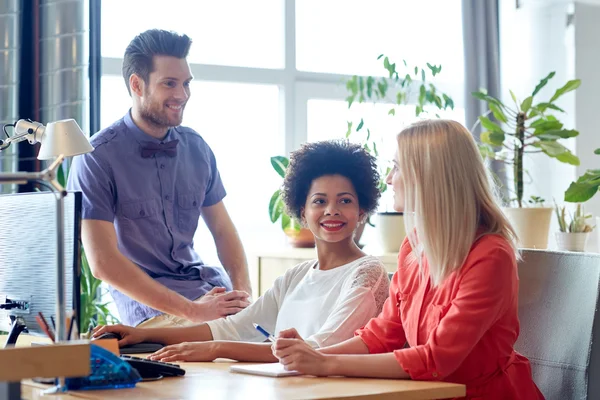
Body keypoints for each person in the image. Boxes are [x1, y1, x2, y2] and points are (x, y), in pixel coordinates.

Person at [272, 120, 544, 399]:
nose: (389, 179)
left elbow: (436, 358)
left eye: (397, 167)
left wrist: (325, 363)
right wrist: (310, 355)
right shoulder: (413, 249)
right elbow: (381, 336)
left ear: (428, 176)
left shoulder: (491, 256)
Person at [92, 140, 390, 363]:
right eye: (320, 201)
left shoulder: (367, 273)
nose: (332, 211)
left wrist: (218, 349)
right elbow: (233, 328)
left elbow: (316, 348)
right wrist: (146, 334)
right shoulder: (296, 277)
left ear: (362, 209)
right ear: (302, 209)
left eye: (345, 201)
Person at [68, 29, 252, 329]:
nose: (182, 95)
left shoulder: (197, 148)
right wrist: (193, 311)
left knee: (292, 337)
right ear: (137, 85)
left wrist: (244, 296)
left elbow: (222, 230)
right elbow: (103, 263)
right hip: (153, 312)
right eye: (169, 84)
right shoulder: (96, 157)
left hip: (209, 292)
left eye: (186, 83)